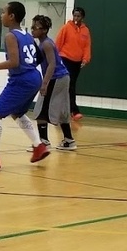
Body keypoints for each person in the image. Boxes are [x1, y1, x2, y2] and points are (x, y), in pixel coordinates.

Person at [0, 1, 47, 170]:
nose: (1, 15)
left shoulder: (10, 36)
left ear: (11, 16)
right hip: (35, 77)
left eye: (3, 12)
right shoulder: (26, 35)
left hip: (22, 80)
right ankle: (38, 145)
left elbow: (14, 62)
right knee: (17, 112)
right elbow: (39, 57)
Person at [31, 14, 76, 151]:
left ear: (44, 30)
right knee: (63, 110)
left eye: (35, 27)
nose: (32, 30)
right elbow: (40, 61)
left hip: (56, 78)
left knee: (41, 109)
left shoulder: (47, 44)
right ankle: (69, 140)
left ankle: (43, 143)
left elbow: (52, 64)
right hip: (63, 77)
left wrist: (44, 84)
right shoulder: (43, 43)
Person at [55, 6, 91, 120]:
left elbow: (87, 46)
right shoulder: (66, 28)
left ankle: (65, 109)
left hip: (77, 61)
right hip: (65, 58)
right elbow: (58, 43)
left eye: (78, 16)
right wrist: (56, 58)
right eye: (75, 15)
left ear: (82, 17)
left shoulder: (85, 30)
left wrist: (85, 59)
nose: (76, 18)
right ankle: (74, 110)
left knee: (72, 84)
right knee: (68, 85)